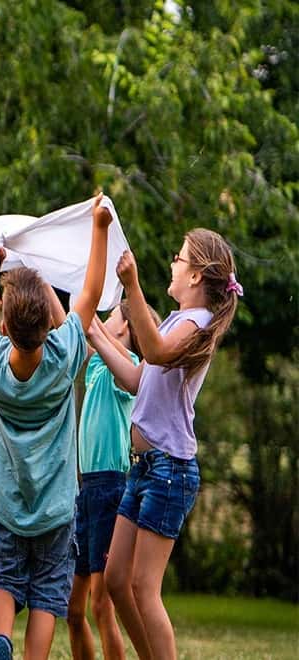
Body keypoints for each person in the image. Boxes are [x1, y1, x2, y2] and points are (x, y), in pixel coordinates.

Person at [97, 229, 240, 660]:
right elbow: (141, 377)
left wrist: (132, 286)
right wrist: (94, 335)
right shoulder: (179, 320)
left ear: (196, 275)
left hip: (169, 471)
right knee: (116, 580)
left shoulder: (194, 325)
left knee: (143, 586)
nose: (173, 263)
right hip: (143, 467)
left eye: (179, 258)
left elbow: (155, 352)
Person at [0, 193, 112, 660]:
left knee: (3, 579)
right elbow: (90, 297)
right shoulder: (61, 359)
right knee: (47, 596)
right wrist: (99, 228)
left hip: (9, 507)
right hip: (56, 510)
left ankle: (0, 639)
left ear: (7, 326)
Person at [66, 301, 159, 660]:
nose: (105, 319)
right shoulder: (95, 369)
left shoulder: (133, 368)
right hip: (86, 490)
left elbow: (89, 326)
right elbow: (81, 326)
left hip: (110, 489)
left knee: (102, 606)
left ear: (126, 328)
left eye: (114, 316)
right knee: (74, 610)